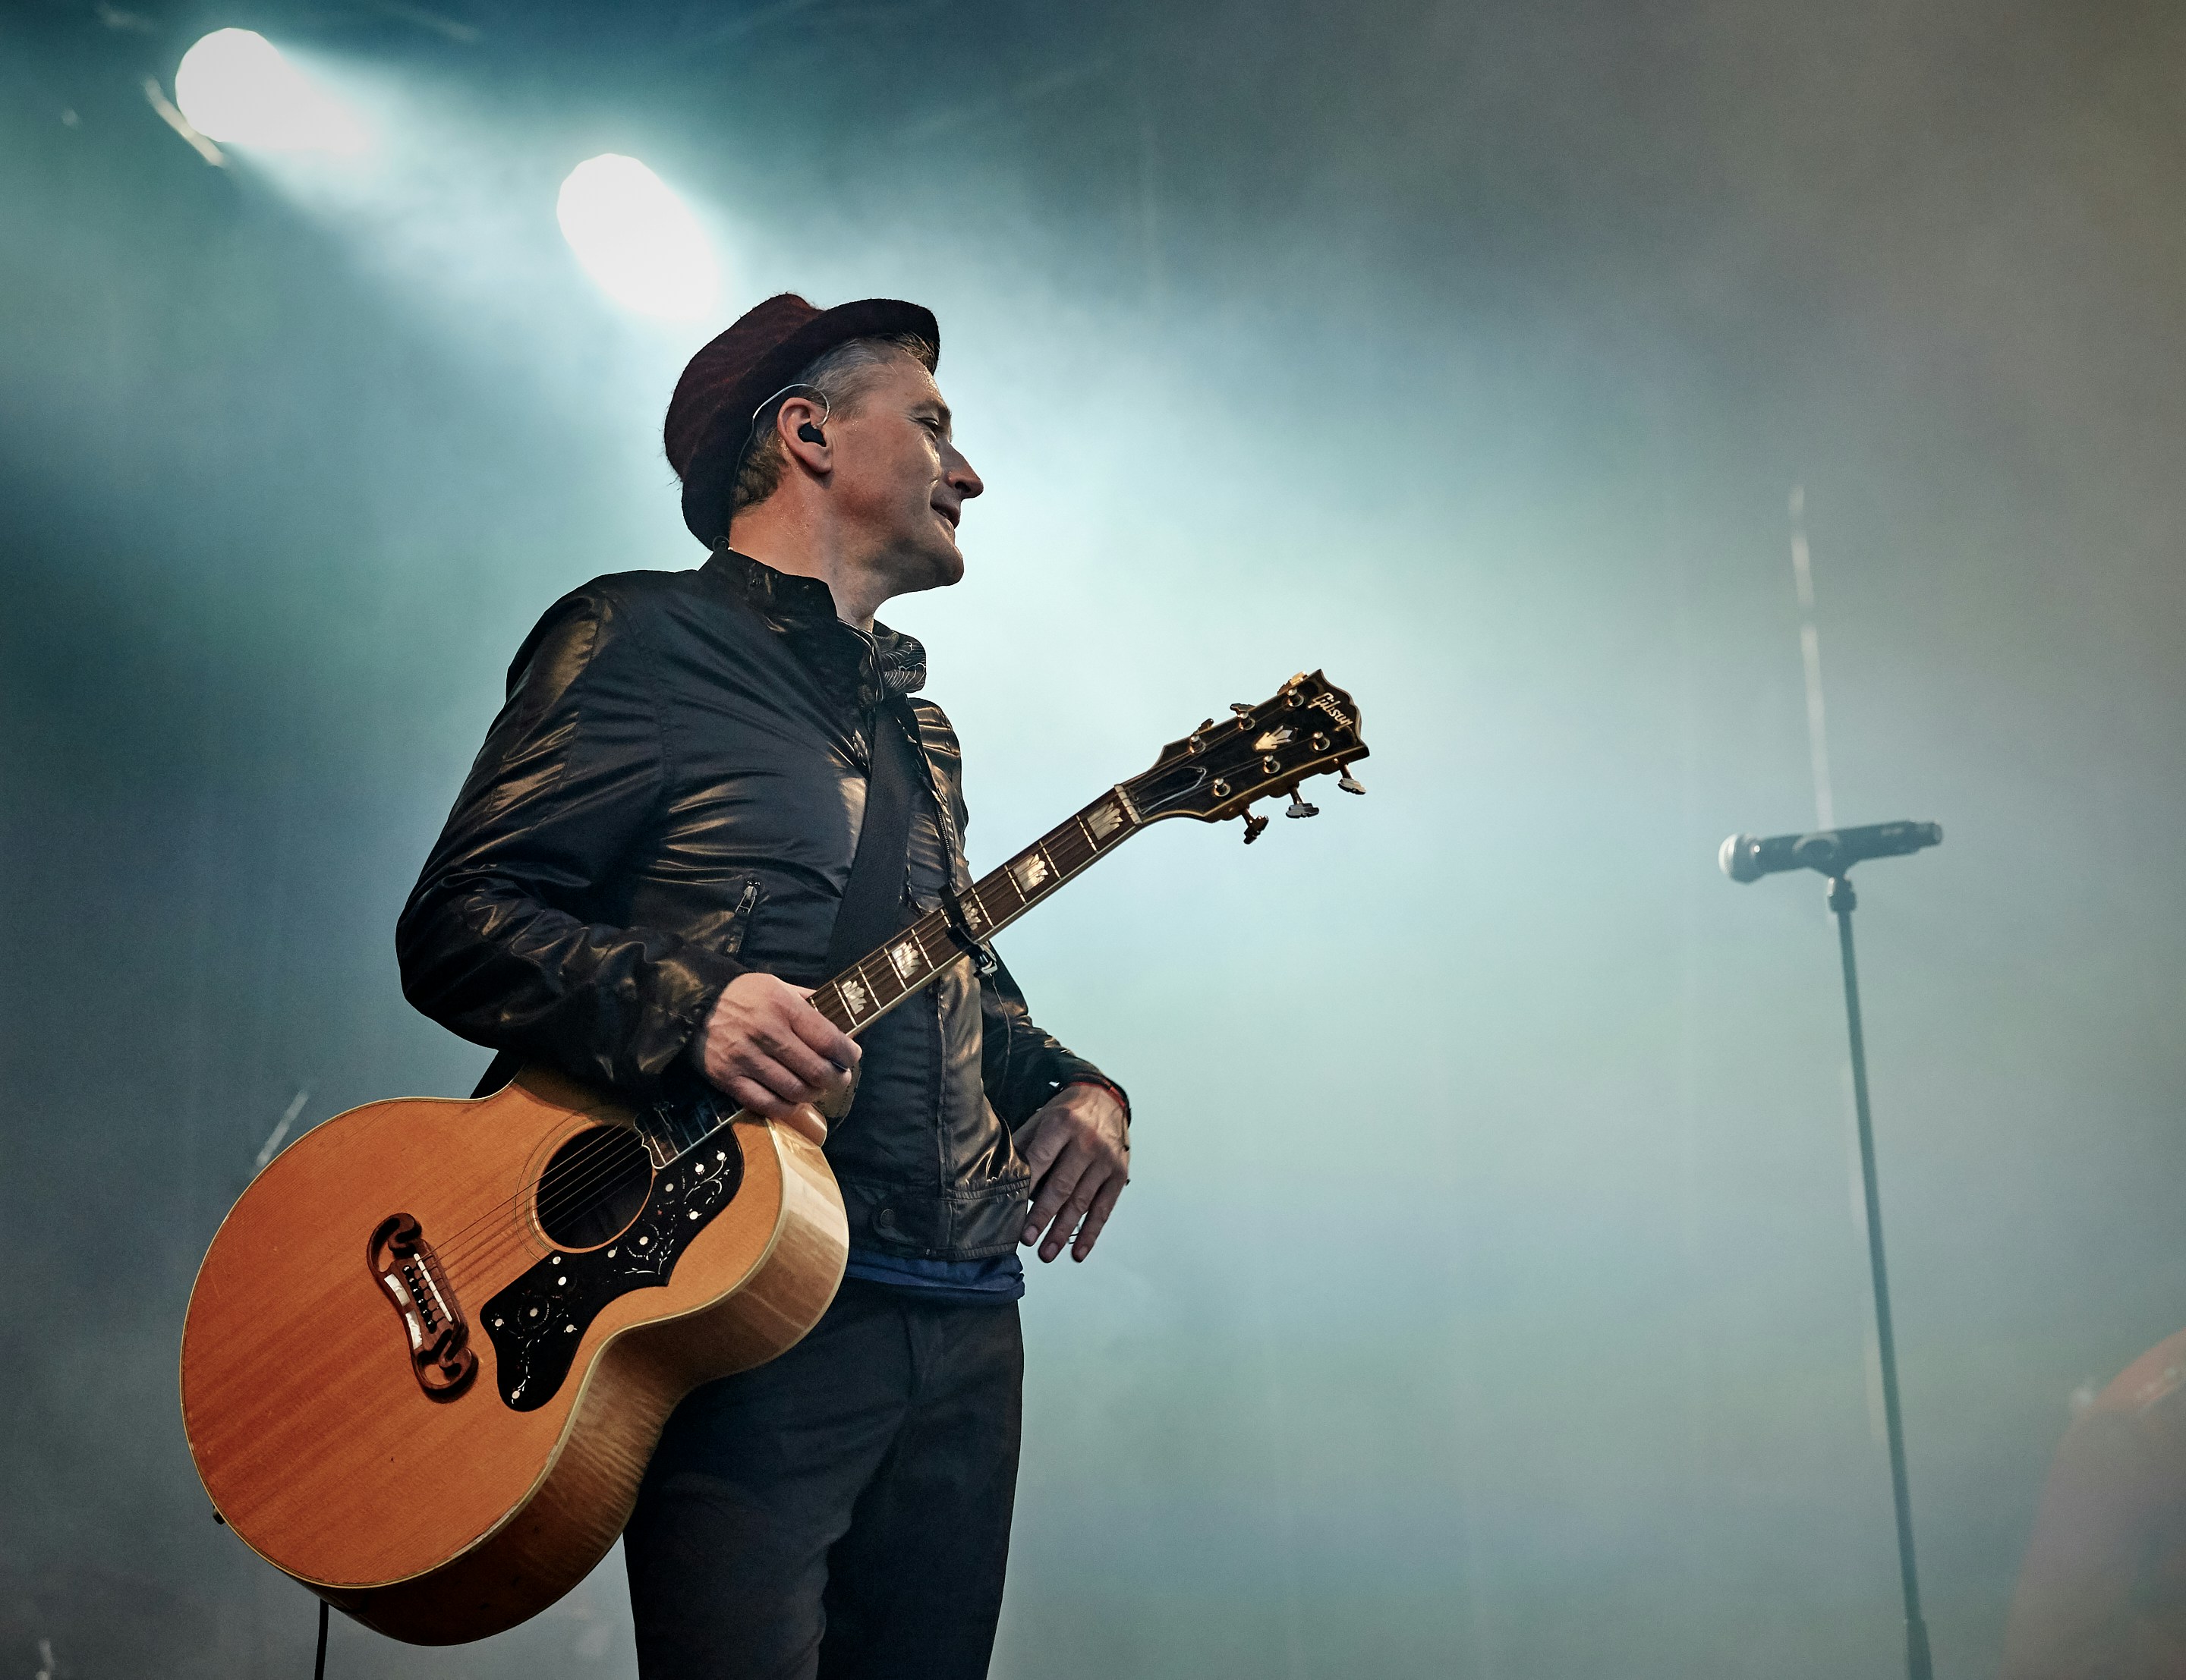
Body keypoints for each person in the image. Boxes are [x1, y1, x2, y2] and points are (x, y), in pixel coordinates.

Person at [395, 293, 1132, 1679]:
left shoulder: (919, 730)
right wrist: (693, 1009)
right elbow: (459, 922)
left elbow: (956, 985)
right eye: (931, 425)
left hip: (965, 1311)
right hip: (740, 1296)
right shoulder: (640, 640)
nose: (967, 472)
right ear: (805, 433)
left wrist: (1082, 1085)